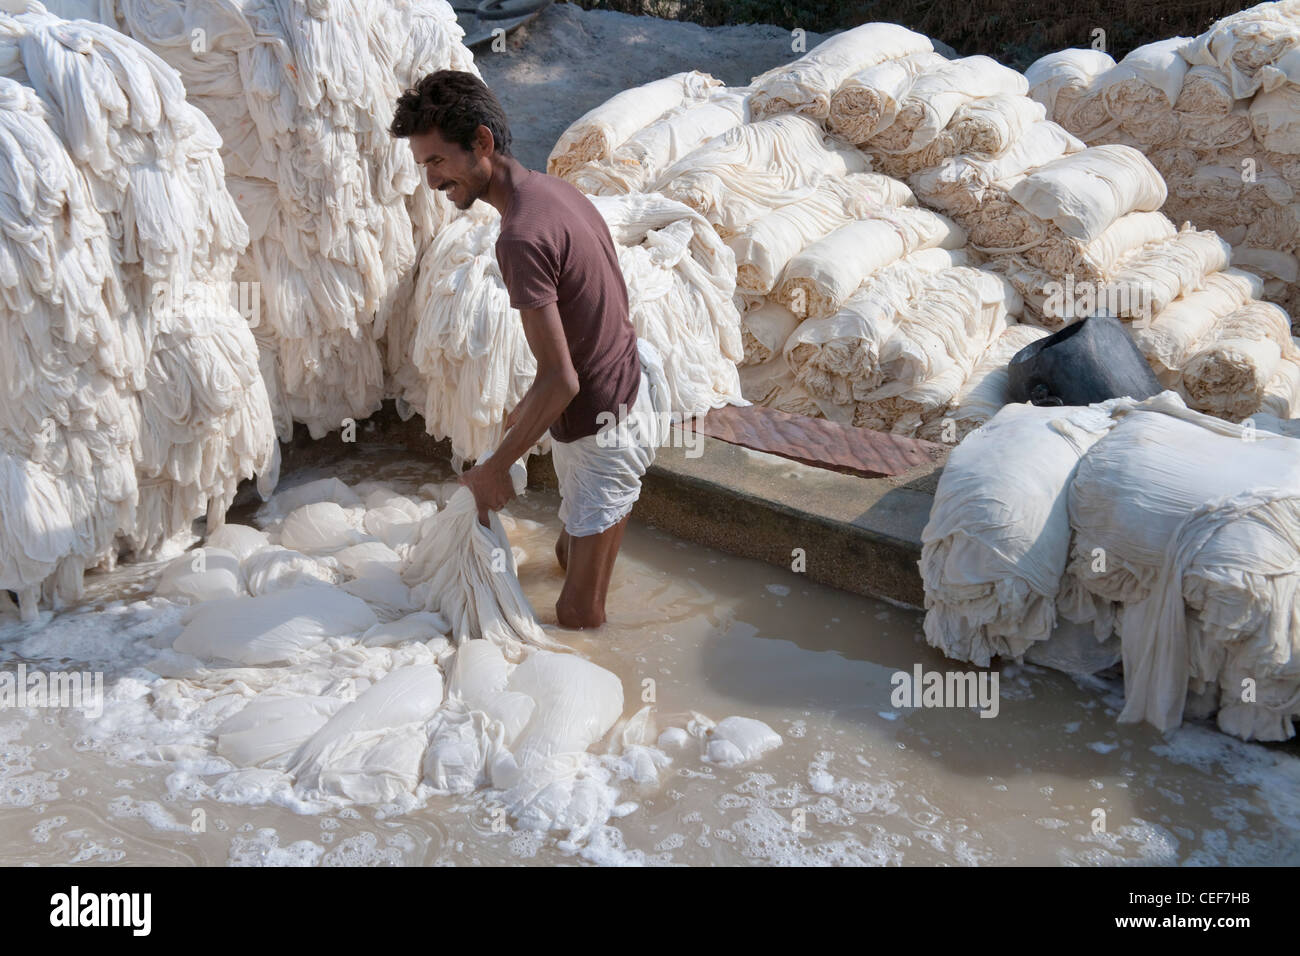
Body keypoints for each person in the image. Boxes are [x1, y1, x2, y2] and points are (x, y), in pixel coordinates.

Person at [389, 70, 669, 629]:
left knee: (577, 616)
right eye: (424, 166)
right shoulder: (553, 190)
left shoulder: (519, 238)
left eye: (437, 162)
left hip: (600, 425)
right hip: (628, 390)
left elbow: (561, 380)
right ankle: (597, 541)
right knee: (568, 554)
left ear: (483, 144)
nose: (432, 181)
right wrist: (527, 421)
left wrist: (495, 468)